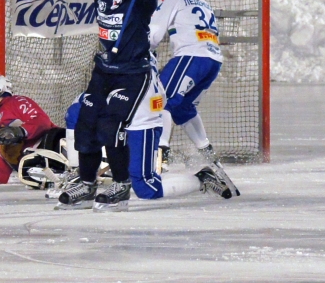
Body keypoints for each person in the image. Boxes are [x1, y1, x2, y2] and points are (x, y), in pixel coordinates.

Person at [41, 0, 164, 211]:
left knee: (112, 126)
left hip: (133, 72)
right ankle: (86, 182)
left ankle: (121, 186)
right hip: (104, 69)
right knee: (86, 123)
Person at [62, 81, 235, 204]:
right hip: (122, 93)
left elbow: (161, 104)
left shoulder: (138, 53)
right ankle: (82, 178)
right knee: (76, 112)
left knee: (145, 189)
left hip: (143, 114)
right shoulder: (114, 50)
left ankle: (202, 178)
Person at [149, 0, 240, 195]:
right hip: (212, 61)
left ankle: (159, 160)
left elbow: (155, 32)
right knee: (183, 108)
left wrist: (140, 46)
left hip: (190, 56)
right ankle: (209, 155)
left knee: (160, 99)